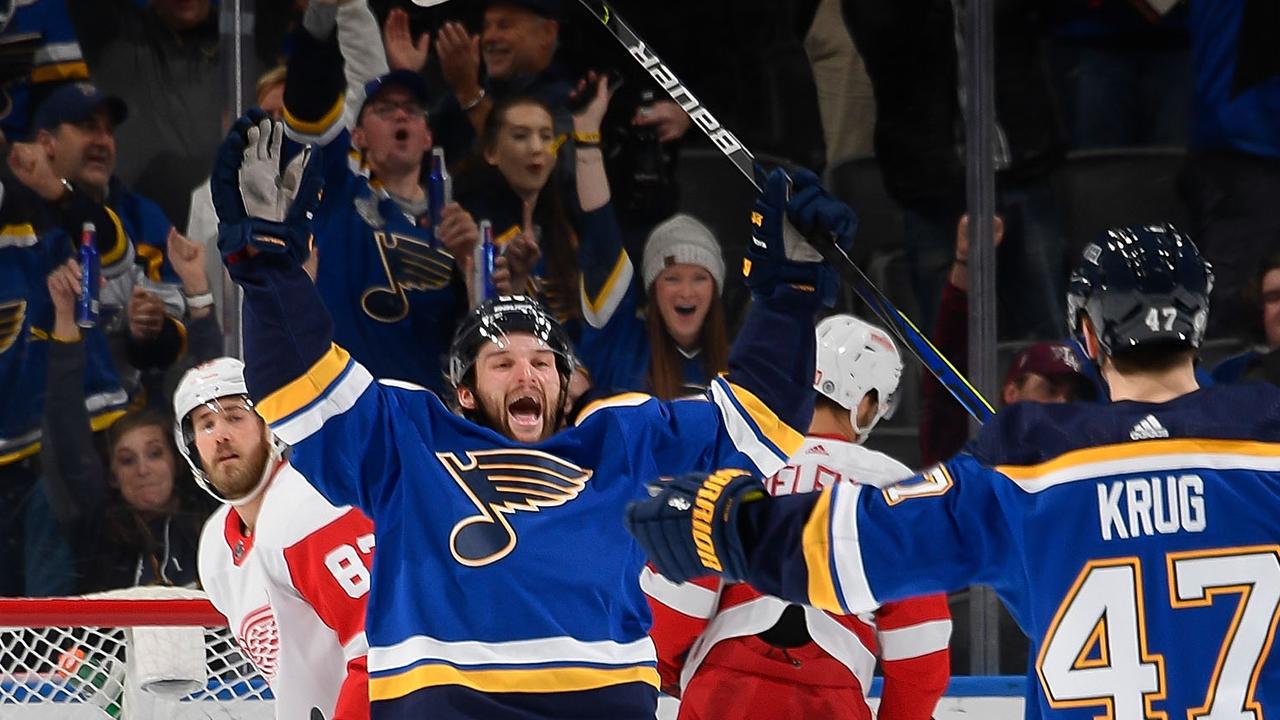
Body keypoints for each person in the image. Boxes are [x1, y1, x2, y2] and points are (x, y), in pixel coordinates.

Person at [211, 104, 850, 718]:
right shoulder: (409, 442)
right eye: (502, 363)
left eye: (543, 363)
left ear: (567, 386)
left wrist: (789, 296)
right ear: (463, 391)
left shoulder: (619, 442)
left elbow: (761, 422)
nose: (527, 373)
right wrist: (269, 266)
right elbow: (298, 390)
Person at [628, 224, 1280, 720]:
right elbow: (915, 653)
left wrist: (732, 526)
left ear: (1086, 334)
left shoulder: (1028, 462)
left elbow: (863, 543)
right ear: (1199, 322)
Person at [645, 314, 950, 719]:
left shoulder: (741, 456)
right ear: (866, 402)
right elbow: (920, 645)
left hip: (724, 686)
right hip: (830, 696)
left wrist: (670, 672)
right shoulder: (893, 487)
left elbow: (679, 591)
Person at [284, 0, 486, 393]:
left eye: (412, 110)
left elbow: (478, 344)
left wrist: (471, 268)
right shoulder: (337, 196)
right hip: (345, 409)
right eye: (384, 109)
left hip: (429, 418)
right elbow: (309, 102)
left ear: (428, 136)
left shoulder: (458, 223)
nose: (400, 116)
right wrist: (321, 20)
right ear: (357, 137)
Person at [177, 357, 374, 720]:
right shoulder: (215, 548)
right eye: (206, 425)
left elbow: (381, 649)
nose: (221, 435)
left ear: (271, 426)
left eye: (235, 416)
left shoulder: (317, 505)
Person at [42, 248, 220, 593]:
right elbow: (66, 425)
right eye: (126, 460)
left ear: (179, 462)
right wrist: (66, 316)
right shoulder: (98, 532)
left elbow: (213, 397)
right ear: (111, 476)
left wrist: (197, 288)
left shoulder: (215, 521)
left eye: (155, 453)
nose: (143, 469)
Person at [576, 213, 731, 399]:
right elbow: (599, 227)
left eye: (700, 278)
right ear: (654, 290)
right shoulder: (622, 346)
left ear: (715, 290)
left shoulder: (740, 367)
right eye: (672, 279)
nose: (687, 292)